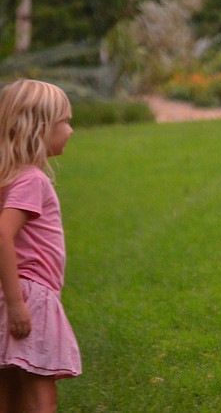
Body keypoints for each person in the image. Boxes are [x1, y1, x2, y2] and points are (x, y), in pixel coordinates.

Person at [0, 79, 81, 413]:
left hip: (12, 291)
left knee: (9, 386)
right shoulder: (32, 179)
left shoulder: (8, 176)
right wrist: (19, 303)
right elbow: (2, 234)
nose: (71, 130)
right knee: (37, 388)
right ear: (42, 128)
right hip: (30, 295)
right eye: (66, 121)